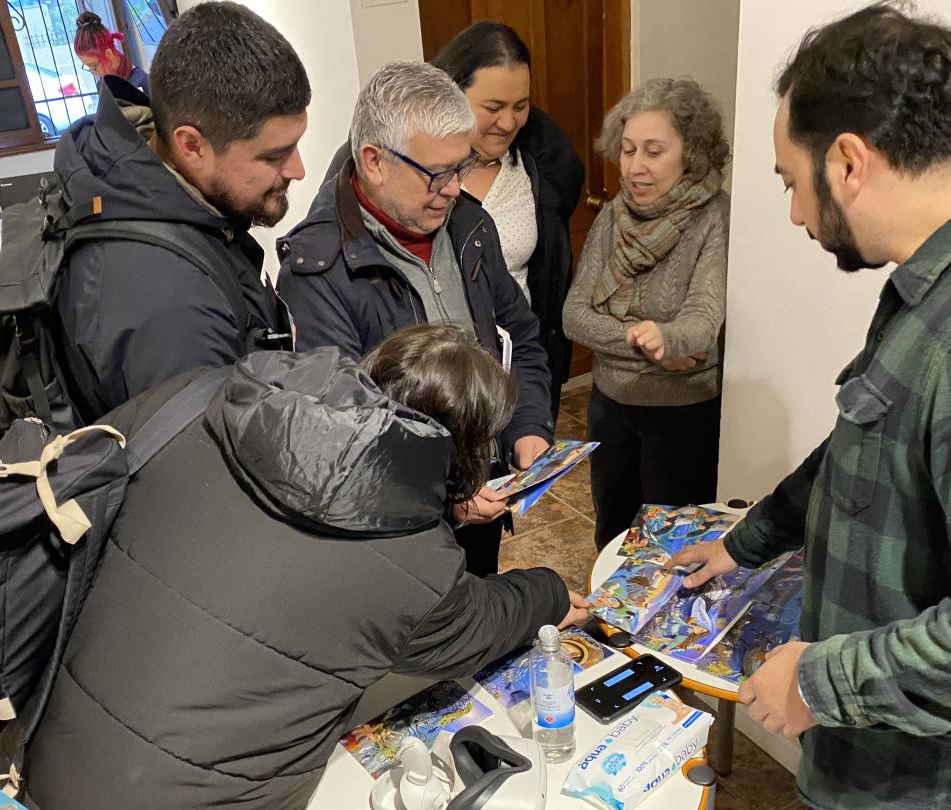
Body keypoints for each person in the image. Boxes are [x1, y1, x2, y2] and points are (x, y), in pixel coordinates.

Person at [671, 5, 951, 810]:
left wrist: (823, 677)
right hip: (931, 766)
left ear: (848, 159)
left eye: (791, 185)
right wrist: (748, 538)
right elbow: (867, 442)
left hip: (925, 786)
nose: (796, 216)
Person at [15, 326, 588, 810]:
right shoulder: (414, 565)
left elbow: (332, 498)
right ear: (470, 448)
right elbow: (470, 623)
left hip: (51, 749)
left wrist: (440, 510)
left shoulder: (206, 399)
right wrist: (551, 591)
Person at [277, 61, 554, 577]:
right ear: (375, 161)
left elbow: (520, 339)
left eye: (462, 165)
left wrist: (527, 427)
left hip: (482, 501)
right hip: (397, 540)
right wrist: (444, 498)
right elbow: (344, 432)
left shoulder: (470, 226)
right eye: (437, 173)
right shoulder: (318, 270)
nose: (454, 188)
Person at [52, 0, 309, 423]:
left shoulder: (179, 203)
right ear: (191, 145)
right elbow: (200, 479)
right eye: (275, 154)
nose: (297, 170)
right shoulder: (169, 308)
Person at [563, 77, 730, 549]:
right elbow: (574, 315)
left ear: (692, 153)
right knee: (613, 536)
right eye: (629, 149)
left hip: (683, 415)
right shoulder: (614, 214)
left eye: (653, 151)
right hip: (609, 407)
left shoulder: (714, 218)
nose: (634, 166)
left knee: (672, 549)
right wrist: (650, 342)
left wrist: (672, 339)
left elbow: (702, 320)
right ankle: (611, 623)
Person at [430, 21, 585, 419]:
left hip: (519, 374)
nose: (509, 122)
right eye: (493, 108)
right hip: (438, 383)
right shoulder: (415, 172)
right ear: (452, 95)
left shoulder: (539, 169)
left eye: (521, 106)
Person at [72, 11, 151, 97]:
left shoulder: (141, 81)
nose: (92, 72)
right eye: (87, 66)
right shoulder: (103, 86)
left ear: (108, 54)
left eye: (93, 65)